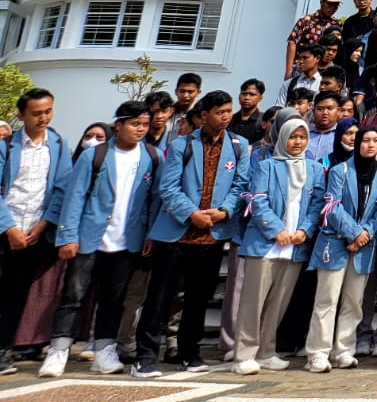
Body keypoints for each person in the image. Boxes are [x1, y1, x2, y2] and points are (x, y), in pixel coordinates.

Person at [38, 100, 157, 379]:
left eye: (144, 125)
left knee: (114, 299)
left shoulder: (152, 156)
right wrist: (68, 235)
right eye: (134, 124)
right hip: (89, 237)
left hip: (127, 240)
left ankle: (105, 349)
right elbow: (75, 196)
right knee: (73, 296)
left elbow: (154, 200)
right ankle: (59, 349)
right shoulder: (96, 155)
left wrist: (149, 234)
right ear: (119, 125)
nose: (140, 129)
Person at [137, 89, 250, 376]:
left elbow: (241, 184)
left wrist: (224, 210)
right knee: (159, 297)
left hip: (212, 235)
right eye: (220, 112)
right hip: (176, 234)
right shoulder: (181, 146)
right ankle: (146, 356)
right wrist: (192, 213)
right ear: (204, 115)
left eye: (228, 112)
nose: (226, 117)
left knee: (199, 297)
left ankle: (191, 352)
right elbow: (168, 187)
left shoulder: (239, 146)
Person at [235, 117, 323, 375]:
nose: (298, 142)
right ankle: (244, 354)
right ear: (282, 138)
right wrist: (277, 230)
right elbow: (258, 201)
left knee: (279, 302)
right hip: (266, 243)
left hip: (295, 245)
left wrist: (305, 230)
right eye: (293, 137)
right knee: (253, 302)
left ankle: (266, 352)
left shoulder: (314, 168)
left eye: (303, 137)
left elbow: (318, 204)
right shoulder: (267, 166)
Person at [0, 88, 73, 375]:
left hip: (34, 232)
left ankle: (3, 349)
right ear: (21, 115)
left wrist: (43, 224)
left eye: (48, 111)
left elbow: (61, 188)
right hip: (7, 227)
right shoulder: (7, 145)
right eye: (36, 113)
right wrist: (10, 228)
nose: (43, 118)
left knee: (15, 293)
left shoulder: (57, 144)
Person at [305, 126, 377, 371]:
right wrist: (354, 232)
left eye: (375, 141)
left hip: (364, 246)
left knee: (354, 301)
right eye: (365, 140)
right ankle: (318, 353)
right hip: (335, 241)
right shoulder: (339, 170)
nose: (370, 145)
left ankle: (344, 349)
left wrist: (364, 234)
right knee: (327, 299)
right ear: (357, 144)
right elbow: (331, 205)